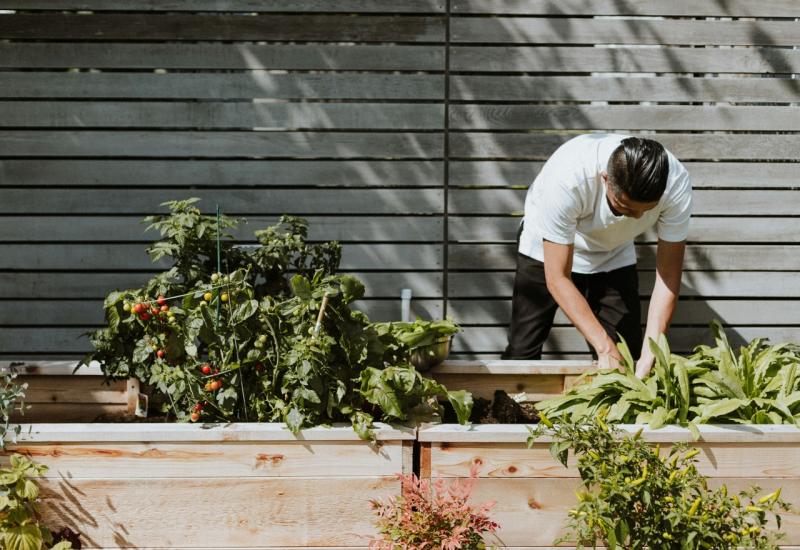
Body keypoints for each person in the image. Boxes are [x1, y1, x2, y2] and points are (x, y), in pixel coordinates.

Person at [503, 134, 692, 378]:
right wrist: (603, 346)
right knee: (522, 351)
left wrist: (652, 350)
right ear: (605, 179)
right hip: (544, 249)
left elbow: (667, 277)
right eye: (623, 208)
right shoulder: (568, 178)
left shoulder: (676, 184)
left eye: (645, 211)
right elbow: (558, 278)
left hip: (613, 251)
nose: (635, 218)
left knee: (626, 355)